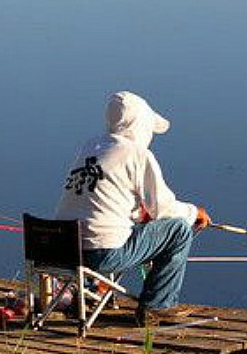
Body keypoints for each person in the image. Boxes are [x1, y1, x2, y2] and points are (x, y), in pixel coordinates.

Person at [55, 91, 211, 326]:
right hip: (101, 254)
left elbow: (104, 201)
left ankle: (90, 289)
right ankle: (158, 306)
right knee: (178, 229)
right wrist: (194, 213)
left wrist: (139, 213)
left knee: (131, 227)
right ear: (140, 125)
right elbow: (164, 209)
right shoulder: (137, 154)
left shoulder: (91, 147)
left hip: (61, 251)